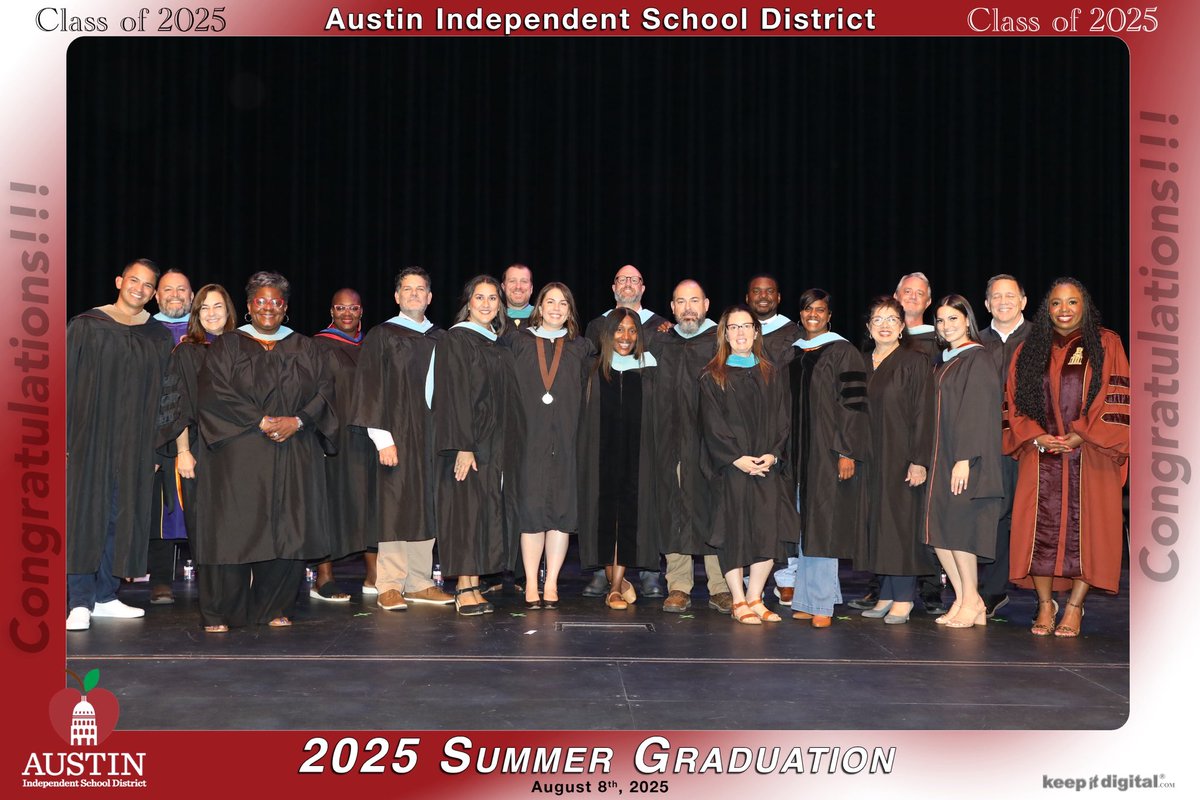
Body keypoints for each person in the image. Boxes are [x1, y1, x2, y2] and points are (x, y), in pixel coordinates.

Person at [195, 271, 336, 630]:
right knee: (233, 530)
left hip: (293, 451)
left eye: (276, 301)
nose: (268, 308)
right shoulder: (227, 346)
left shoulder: (306, 347)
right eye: (261, 301)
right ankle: (222, 611)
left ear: (285, 307)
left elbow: (327, 392)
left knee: (287, 528)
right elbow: (214, 393)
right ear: (248, 306)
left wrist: (299, 421)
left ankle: (275, 606)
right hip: (238, 455)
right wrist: (260, 421)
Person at [1004, 278, 1129, 637]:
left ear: (1084, 305)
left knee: (1089, 532)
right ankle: (1045, 605)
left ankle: (1075, 606)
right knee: (1035, 532)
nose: (1064, 310)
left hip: (1090, 452)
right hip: (1040, 452)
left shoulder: (1106, 343)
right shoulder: (1030, 347)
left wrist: (1081, 433)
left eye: (1072, 302)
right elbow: (1012, 400)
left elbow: (1116, 395)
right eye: (1057, 303)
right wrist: (1036, 435)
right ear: (1047, 308)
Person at [66, 259, 173, 632]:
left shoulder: (157, 335)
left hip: (136, 443)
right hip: (88, 438)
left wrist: (159, 450)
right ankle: (78, 600)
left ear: (153, 293)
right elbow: (63, 381)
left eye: (147, 285)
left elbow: (165, 396)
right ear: (119, 282)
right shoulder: (86, 325)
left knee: (120, 516)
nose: (139, 289)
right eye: (134, 281)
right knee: (84, 516)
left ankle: (106, 595)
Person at [350, 267, 454, 612]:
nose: (413, 294)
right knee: (394, 505)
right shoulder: (382, 335)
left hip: (432, 435)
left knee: (426, 504)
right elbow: (369, 389)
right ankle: (391, 584)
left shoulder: (442, 337)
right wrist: (383, 439)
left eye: (420, 289)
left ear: (429, 297)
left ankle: (421, 582)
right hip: (395, 433)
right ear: (397, 296)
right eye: (407, 289)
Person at [432, 275, 523, 615]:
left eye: (492, 299)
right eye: (479, 298)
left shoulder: (498, 342)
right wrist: (463, 445)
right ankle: (463, 586)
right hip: (469, 441)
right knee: (466, 513)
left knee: (483, 512)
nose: (486, 304)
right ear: (468, 302)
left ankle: (474, 583)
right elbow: (453, 396)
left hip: (494, 444)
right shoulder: (456, 340)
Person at [699, 306, 796, 625]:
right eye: (733, 327)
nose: (740, 333)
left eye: (746, 327)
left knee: (766, 531)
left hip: (766, 465)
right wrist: (736, 459)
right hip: (732, 469)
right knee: (735, 532)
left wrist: (773, 454)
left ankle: (756, 596)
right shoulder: (713, 375)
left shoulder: (772, 372)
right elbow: (712, 425)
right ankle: (738, 600)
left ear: (757, 332)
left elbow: (784, 419)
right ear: (724, 334)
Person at [503, 283, 594, 609]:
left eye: (563, 304)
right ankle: (530, 581)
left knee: (561, 514)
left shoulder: (581, 347)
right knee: (531, 514)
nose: (556, 308)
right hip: (529, 441)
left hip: (568, 442)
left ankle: (551, 581)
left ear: (570, 311)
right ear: (538, 307)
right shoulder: (517, 341)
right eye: (550, 302)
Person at [582, 264, 669, 599]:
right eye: (622, 279)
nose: (625, 335)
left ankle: (633, 578)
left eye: (634, 279)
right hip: (603, 451)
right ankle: (612, 581)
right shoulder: (592, 360)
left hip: (638, 452)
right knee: (606, 512)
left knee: (634, 511)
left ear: (643, 287)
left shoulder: (653, 355)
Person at [784, 289, 869, 628]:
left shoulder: (843, 351)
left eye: (820, 310)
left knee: (823, 524)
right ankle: (811, 598)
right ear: (800, 314)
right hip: (798, 454)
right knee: (806, 525)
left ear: (829, 314)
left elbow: (853, 405)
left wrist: (846, 450)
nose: (813, 315)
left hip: (828, 451)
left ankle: (820, 603)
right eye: (807, 310)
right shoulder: (793, 353)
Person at [155, 283, 235, 629]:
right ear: (196, 314)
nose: (213, 313)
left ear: (229, 310)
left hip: (242, 454)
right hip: (201, 450)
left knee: (239, 527)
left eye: (218, 306)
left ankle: (239, 599)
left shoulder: (245, 347)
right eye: (205, 308)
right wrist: (183, 452)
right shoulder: (186, 352)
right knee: (205, 528)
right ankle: (214, 605)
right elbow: (177, 407)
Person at [923, 294, 1004, 629]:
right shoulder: (945, 360)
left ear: (967, 320)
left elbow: (978, 413)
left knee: (959, 531)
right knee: (939, 533)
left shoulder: (978, 359)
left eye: (953, 319)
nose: (946, 326)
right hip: (942, 455)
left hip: (964, 458)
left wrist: (964, 459)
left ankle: (971, 599)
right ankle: (965, 598)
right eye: (941, 321)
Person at [654, 280, 733, 614]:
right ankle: (678, 585)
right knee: (675, 511)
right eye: (681, 301)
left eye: (695, 301)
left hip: (710, 446)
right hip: (670, 443)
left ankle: (720, 587)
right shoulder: (661, 343)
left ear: (707, 304)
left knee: (714, 512)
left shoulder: (721, 344)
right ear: (672, 308)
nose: (688, 307)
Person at [856, 297, 933, 624]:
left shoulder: (915, 361)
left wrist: (919, 460)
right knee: (880, 525)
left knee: (901, 525)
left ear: (902, 327)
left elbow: (924, 412)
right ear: (869, 327)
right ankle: (886, 593)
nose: (884, 325)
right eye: (877, 319)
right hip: (871, 458)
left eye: (891, 319)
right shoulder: (861, 362)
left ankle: (904, 597)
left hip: (902, 456)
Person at [309, 288, 377, 603]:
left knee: (369, 504)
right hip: (332, 437)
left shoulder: (373, 345)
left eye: (353, 308)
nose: (347, 313)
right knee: (330, 504)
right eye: (340, 308)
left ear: (361, 311)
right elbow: (312, 395)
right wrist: (321, 434)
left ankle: (373, 574)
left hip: (368, 438)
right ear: (331, 311)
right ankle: (324, 577)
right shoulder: (318, 345)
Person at [977, 274, 1030, 617]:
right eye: (996, 297)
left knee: (1035, 515)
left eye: (1010, 295)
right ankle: (993, 590)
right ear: (986, 304)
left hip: (1031, 442)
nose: (1003, 301)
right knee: (993, 515)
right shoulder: (976, 342)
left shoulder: (1043, 338)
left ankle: (1046, 591)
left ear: (1023, 301)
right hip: (988, 442)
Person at [146, 267, 195, 604]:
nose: (175, 295)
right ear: (156, 296)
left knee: (204, 506)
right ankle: (161, 579)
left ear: (192, 297)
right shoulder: (144, 331)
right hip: (156, 431)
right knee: (160, 507)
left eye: (182, 290)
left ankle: (213, 575)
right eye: (168, 290)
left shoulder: (205, 330)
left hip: (202, 432)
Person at [746, 274, 802, 367]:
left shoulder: (796, 334)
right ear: (747, 298)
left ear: (779, 297)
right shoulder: (735, 332)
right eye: (756, 291)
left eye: (770, 291)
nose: (763, 295)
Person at [503, 263, 535, 328]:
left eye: (524, 281)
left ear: (531, 288)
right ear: (503, 287)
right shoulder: (492, 317)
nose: (518, 286)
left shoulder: (542, 317)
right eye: (512, 281)